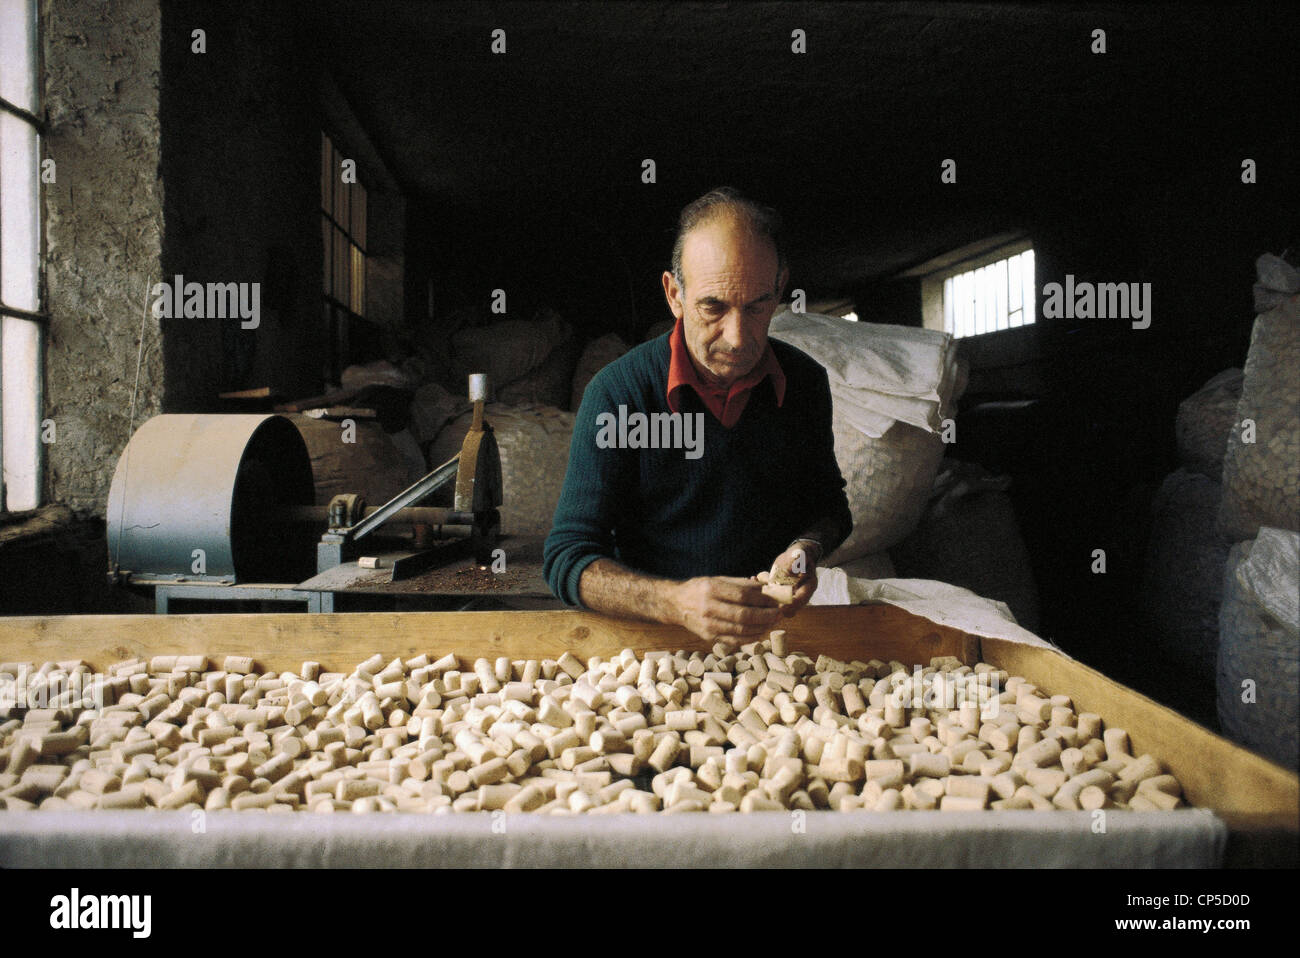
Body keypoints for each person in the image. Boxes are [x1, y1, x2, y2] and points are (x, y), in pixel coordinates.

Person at [543, 187, 852, 643]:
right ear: (674, 294)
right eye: (713, 307)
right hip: (652, 644)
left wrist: (806, 551)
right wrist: (675, 602)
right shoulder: (619, 395)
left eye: (757, 306)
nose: (737, 337)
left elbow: (830, 507)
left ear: (780, 287)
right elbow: (566, 559)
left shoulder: (804, 384)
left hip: (771, 641)